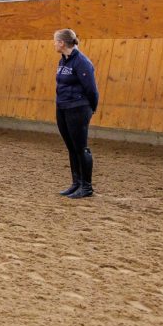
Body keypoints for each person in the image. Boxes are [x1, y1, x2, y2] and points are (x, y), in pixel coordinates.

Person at [54, 28, 99, 199]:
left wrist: (91, 108)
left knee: (81, 148)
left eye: (55, 41)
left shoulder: (82, 62)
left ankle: (86, 186)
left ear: (62, 43)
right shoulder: (63, 61)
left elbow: (91, 89)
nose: (54, 44)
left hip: (78, 108)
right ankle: (76, 183)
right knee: (71, 147)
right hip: (63, 107)